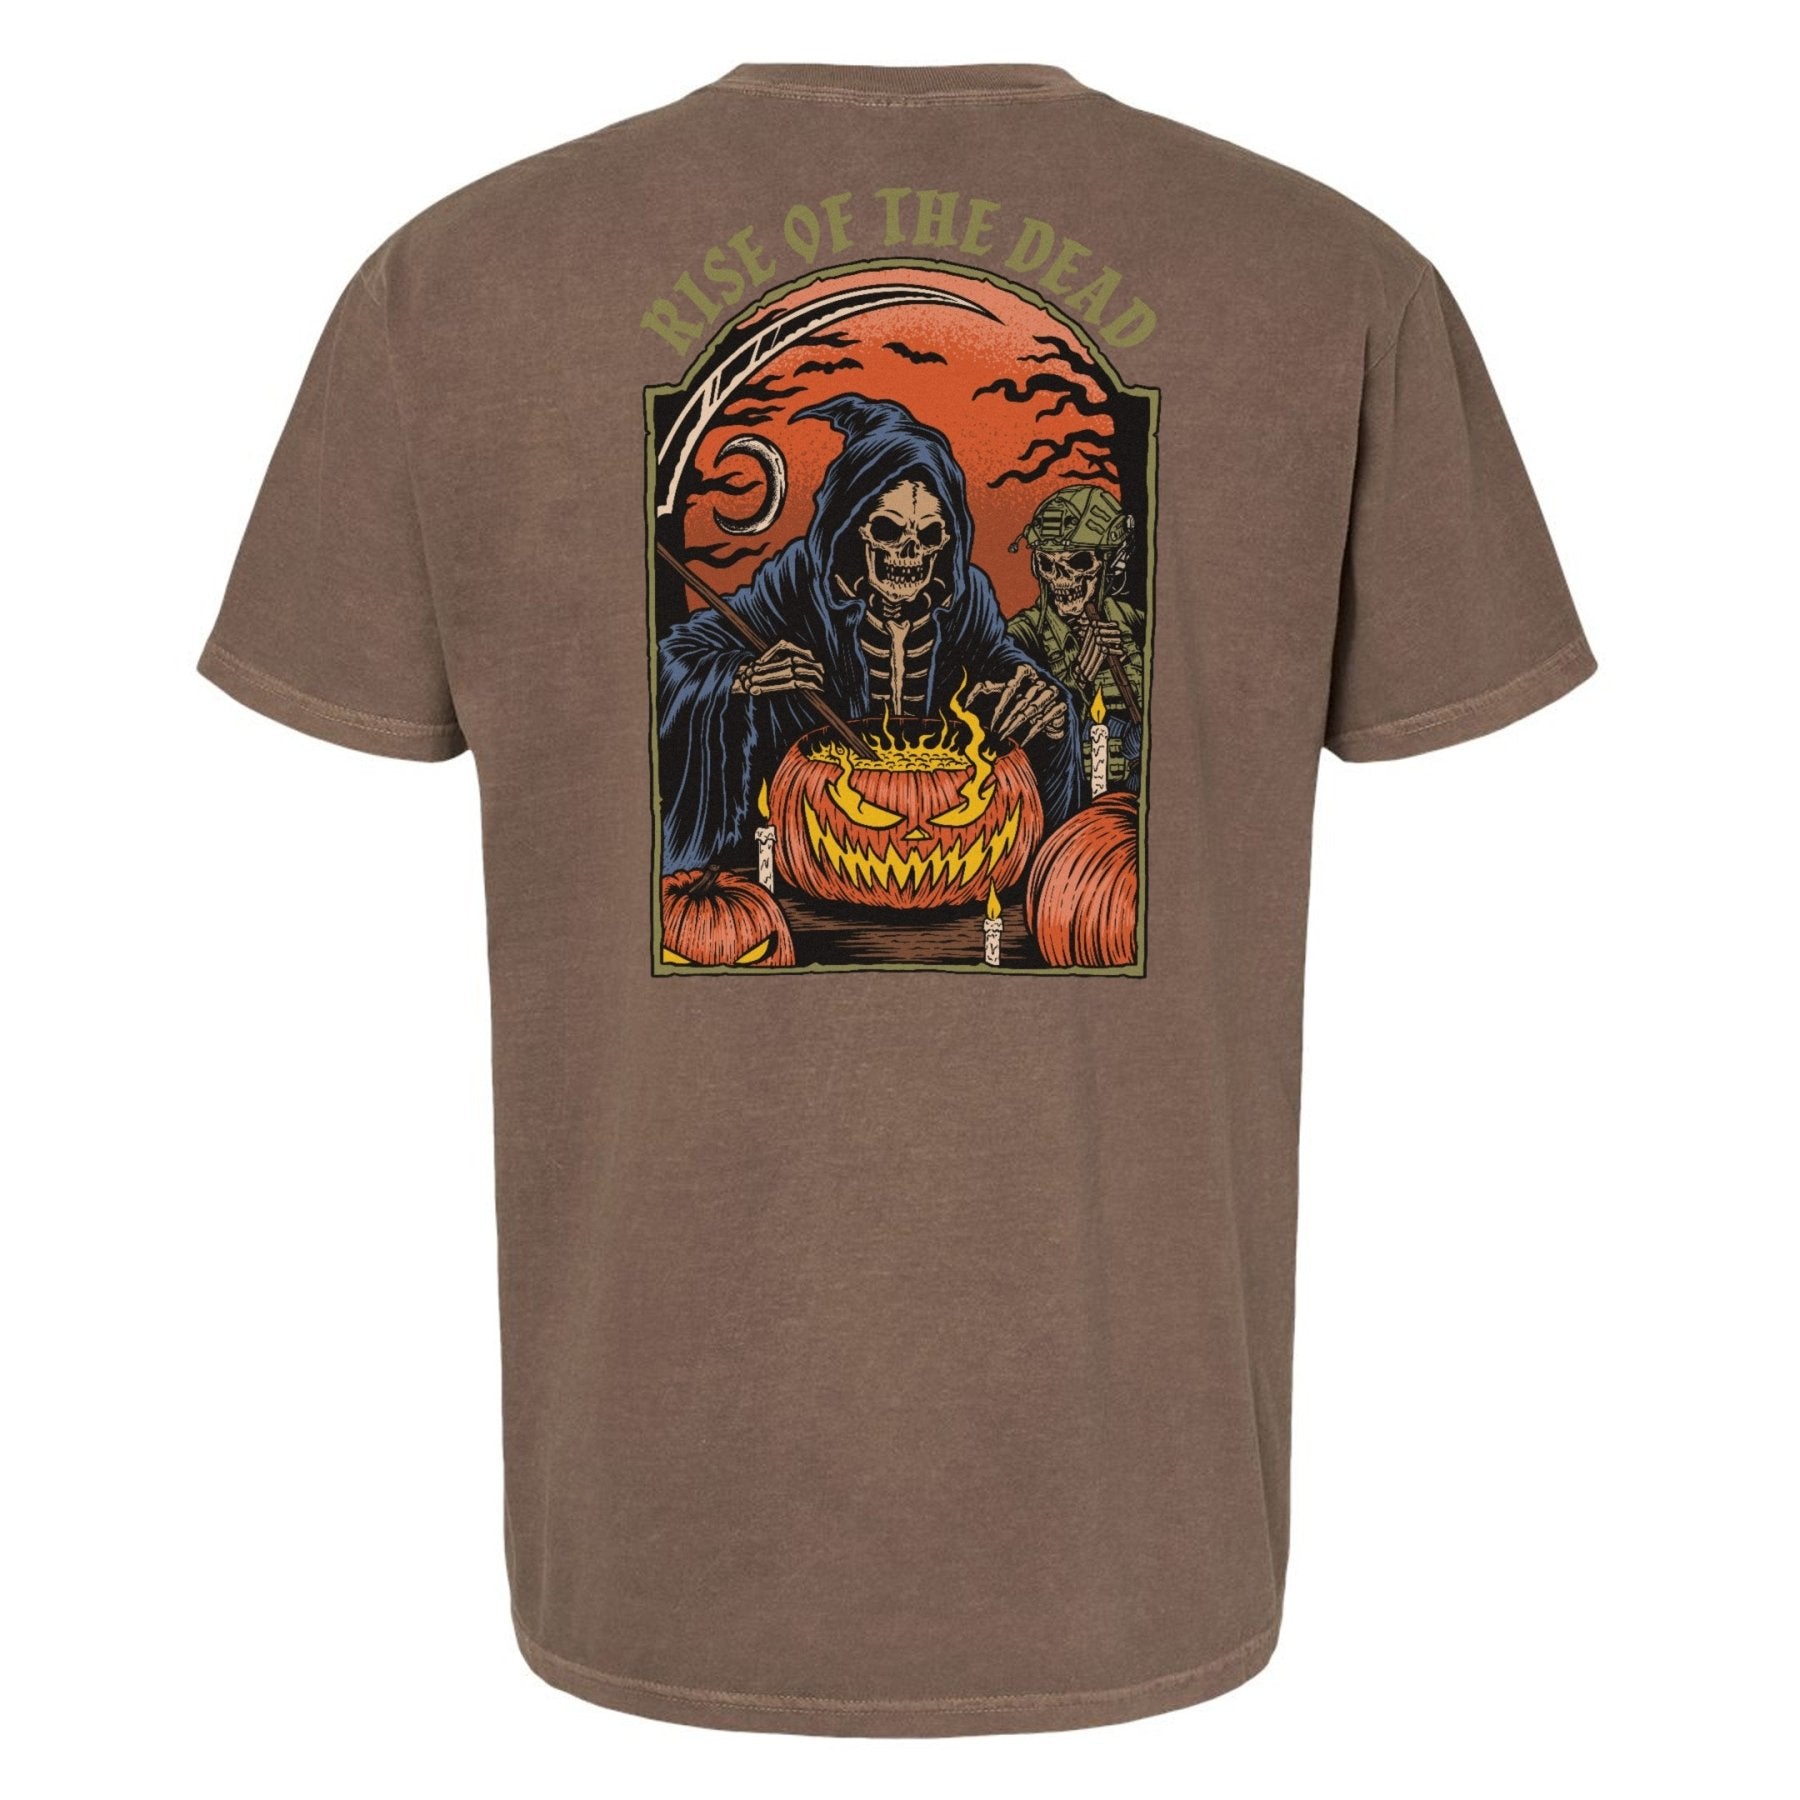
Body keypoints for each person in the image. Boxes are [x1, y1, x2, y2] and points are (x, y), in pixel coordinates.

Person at [657, 393, 1082, 871]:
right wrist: (744, 677)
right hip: (817, 835)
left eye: (928, 535)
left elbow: (1004, 667)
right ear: (851, 525)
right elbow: (678, 656)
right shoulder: (798, 583)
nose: (911, 553)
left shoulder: (965, 598)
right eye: (888, 531)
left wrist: (1046, 707)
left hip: (947, 839)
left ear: (947, 539)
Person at [1004, 483, 1145, 790]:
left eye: (1078, 562)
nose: (1060, 579)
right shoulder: (1021, 636)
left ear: (1111, 561)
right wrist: (1077, 678)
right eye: (1048, 564)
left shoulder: (1135, 623)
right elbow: (1019, 736)